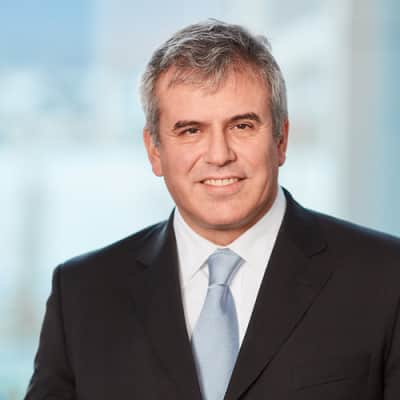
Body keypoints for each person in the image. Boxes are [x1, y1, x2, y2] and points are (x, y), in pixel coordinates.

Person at [25, 20, 400, 400]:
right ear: (154, 150)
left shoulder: (386, 277)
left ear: (281, 139)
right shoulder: (83, 293)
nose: (219, 155)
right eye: (191, 131)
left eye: (242, 126)